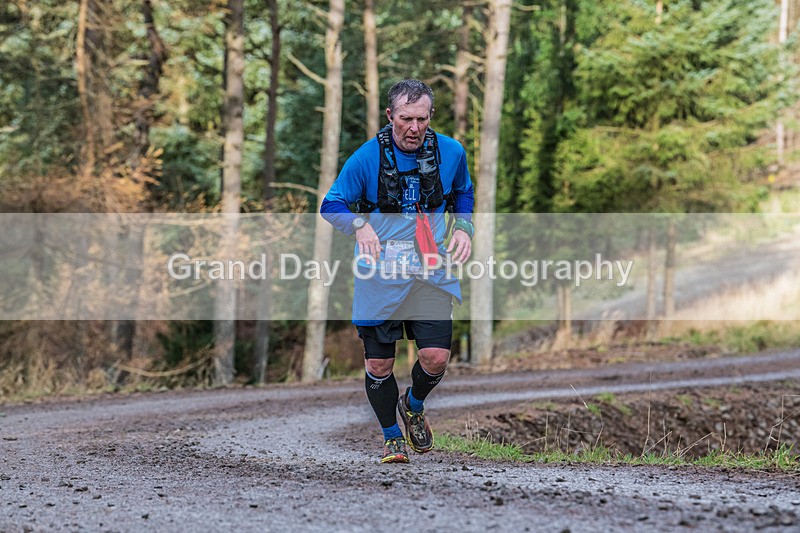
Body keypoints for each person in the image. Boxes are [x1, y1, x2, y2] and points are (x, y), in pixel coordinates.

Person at [320, 79, 474, 463]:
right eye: (406, 119)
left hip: (430, 269)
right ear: (390, 116)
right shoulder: (366, 158)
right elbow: (331, 205)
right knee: (379, 364)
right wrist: (359, 224)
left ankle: (414, 405)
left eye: (422, 119)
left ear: (431, 116)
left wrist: (464, 227)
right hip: (380, 274)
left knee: (436, 357)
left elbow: (463, 192)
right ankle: (391, 437)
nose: (414, 128)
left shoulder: (451, 152)